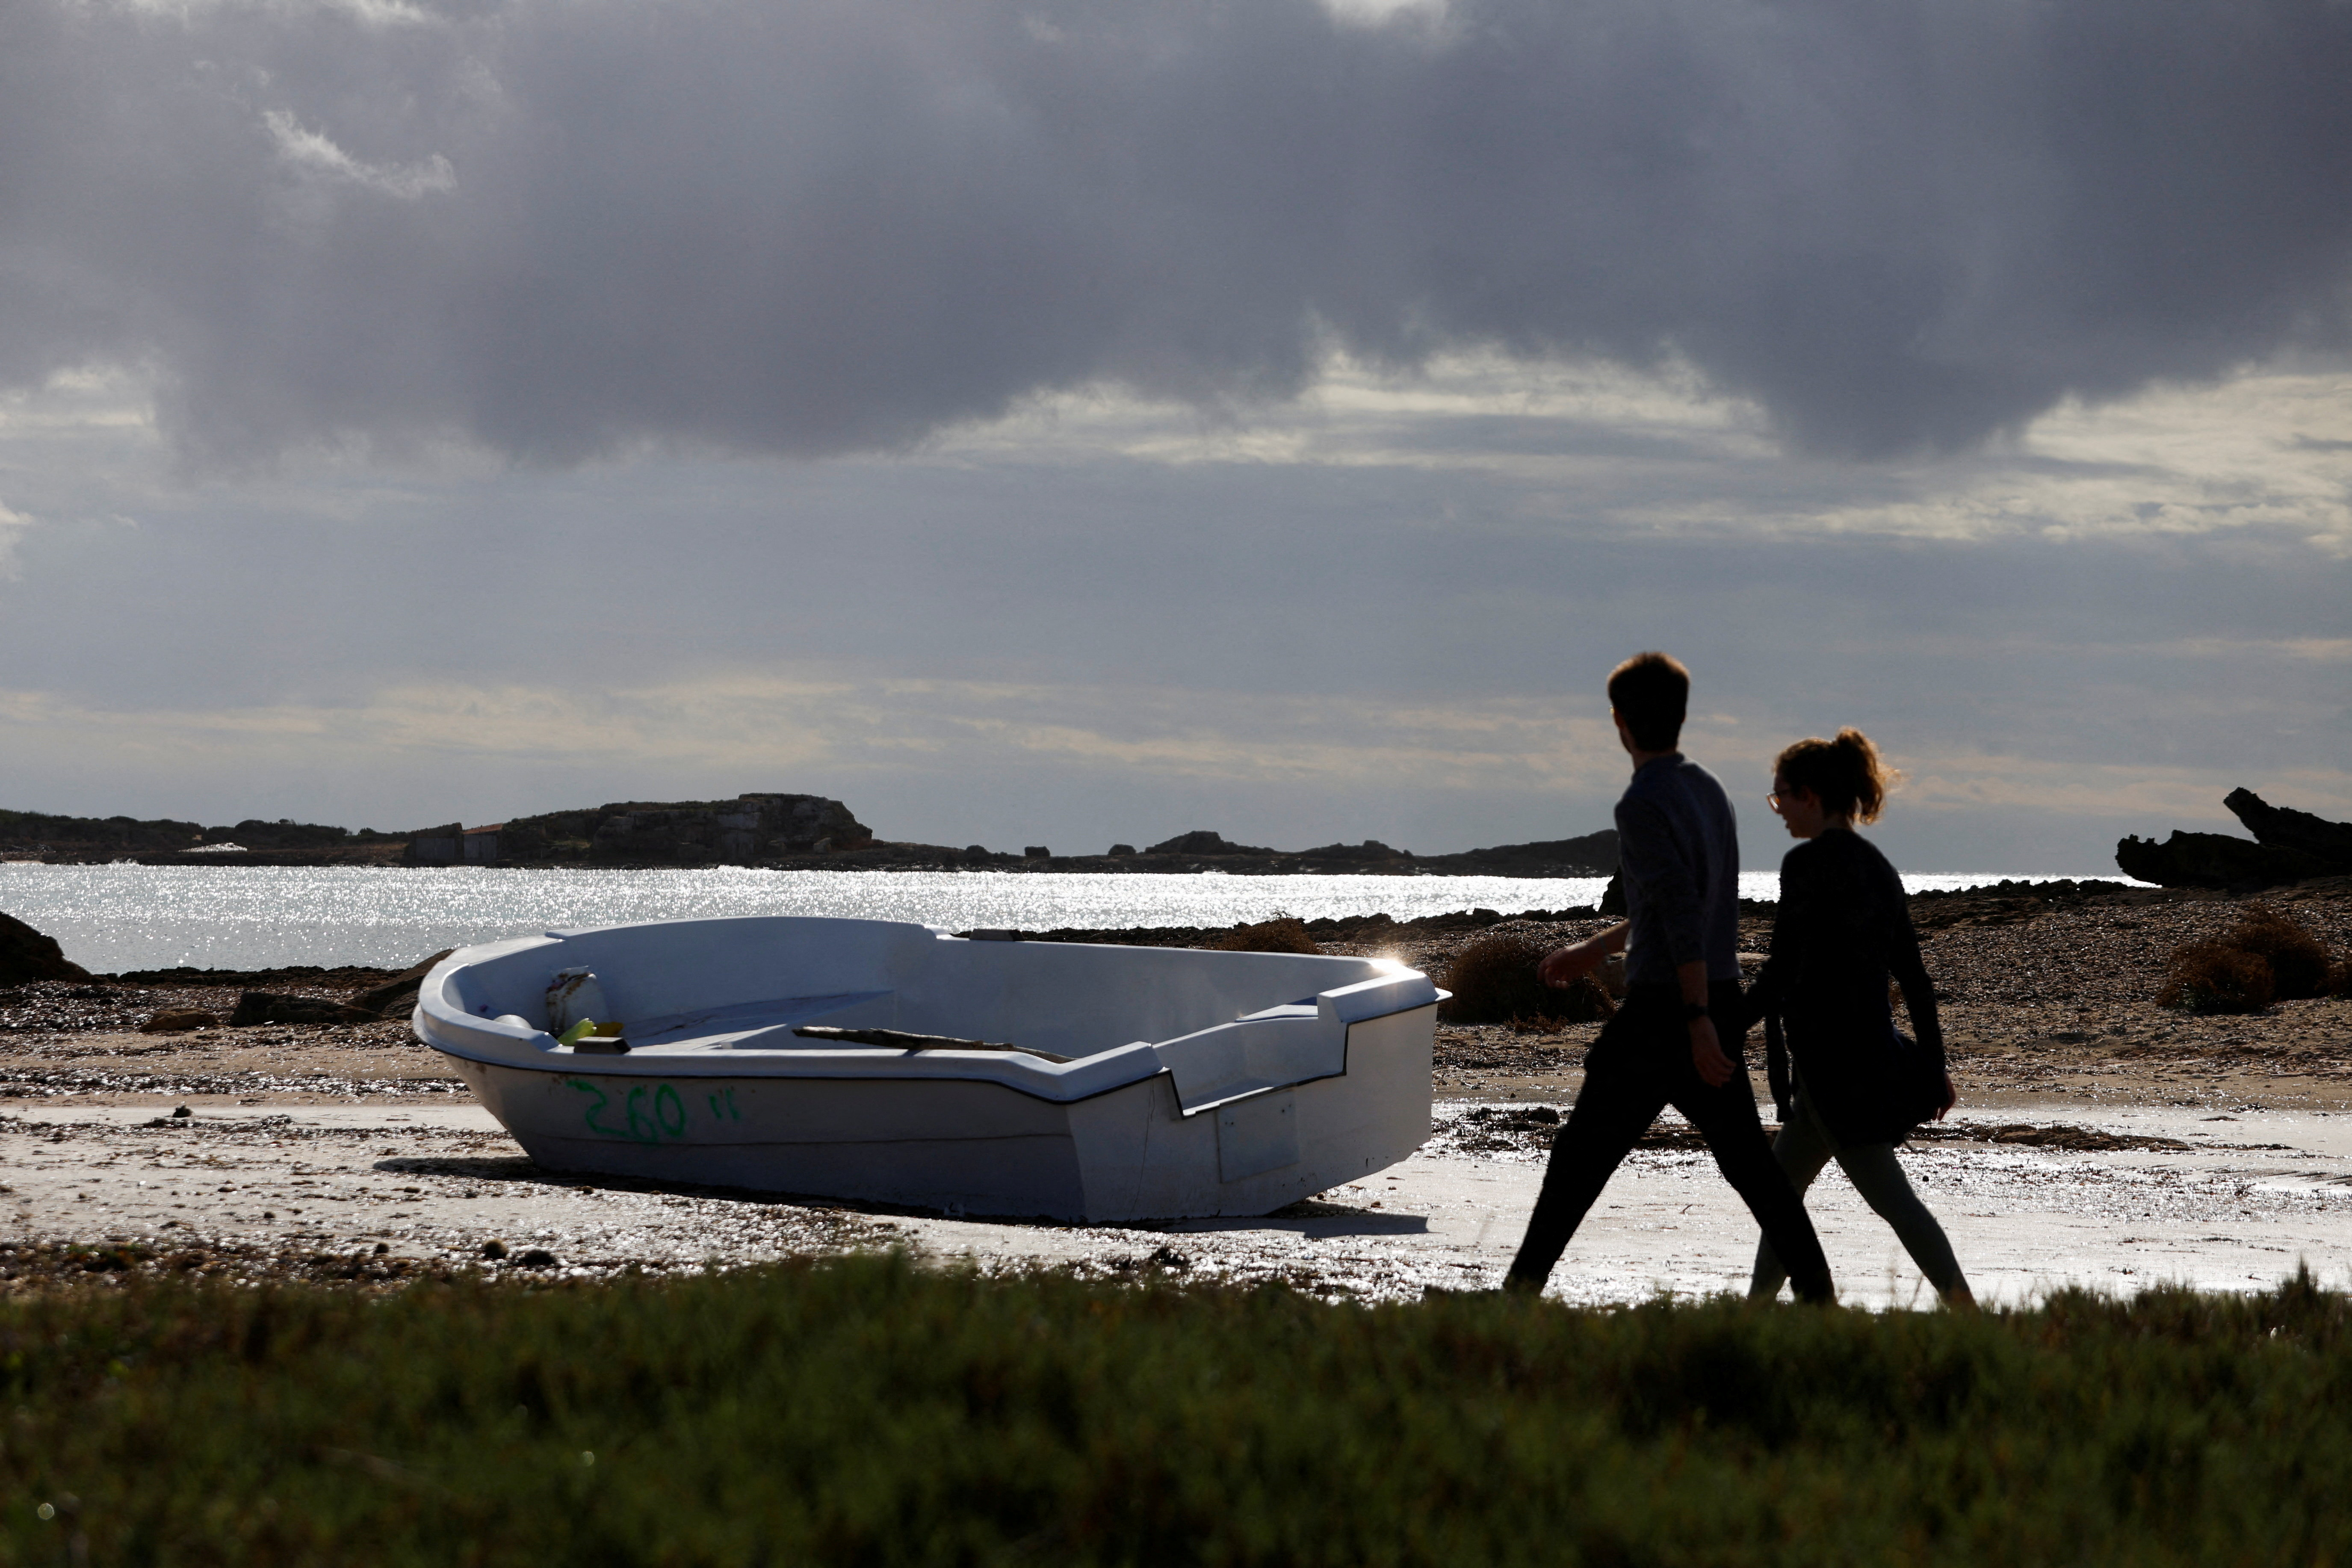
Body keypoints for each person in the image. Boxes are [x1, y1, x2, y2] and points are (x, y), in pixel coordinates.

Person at [1502, 653, 1835, 1303]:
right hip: (1711, 997)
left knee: (1579, 1160)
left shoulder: (1641, 803)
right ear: (1681, 717)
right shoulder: (1710, 791)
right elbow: (1673, 903)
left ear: (1620, 723)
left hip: (1668, 1012)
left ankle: (1517, 1298)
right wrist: (1592, 950)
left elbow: (1681, 910)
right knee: (1752, 1172)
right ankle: (1823, 1303)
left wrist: (1695, 1020)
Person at [1743, 729, 1974, 1308]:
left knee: (1891, 1200)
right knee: (1782, 1191)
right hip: (1870, 1060)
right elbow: (1916, 983)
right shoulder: (1879, 869)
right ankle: (1751, 1317)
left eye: (1781, 799)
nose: (1779, 812)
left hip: (1831, 1070)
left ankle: (1970, 1314)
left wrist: (1717, 1026)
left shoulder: (1806, 864)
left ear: (1812, 796)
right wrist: (1935, 1066)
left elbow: (1781, 973)